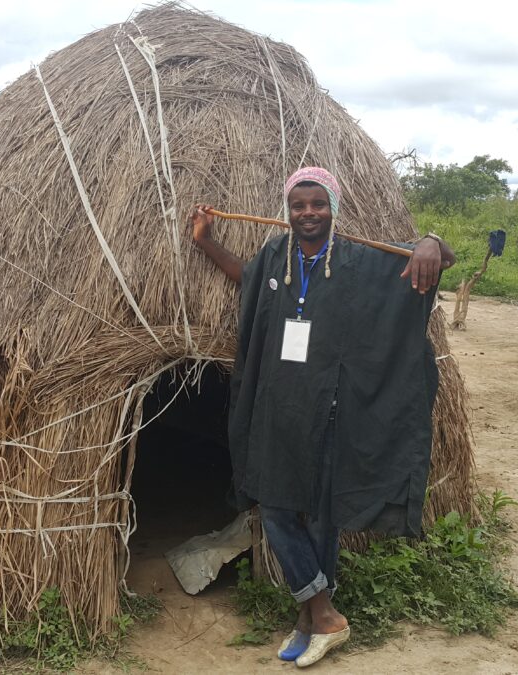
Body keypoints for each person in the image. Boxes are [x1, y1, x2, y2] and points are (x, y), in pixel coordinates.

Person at [190, 167, 454, 667]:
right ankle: (323, 610)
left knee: (324, 513)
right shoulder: (275, 256)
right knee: (275, 506)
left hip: (333, 408)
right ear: (287, 210)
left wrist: (431, 241)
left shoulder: (360, 259)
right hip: (279, 403)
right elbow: (247, 280)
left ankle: (311, 619)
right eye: (298, 205)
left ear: (332, 207)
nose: (308, 213)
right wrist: (207, 243)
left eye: (317, 204)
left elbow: (439, 259)